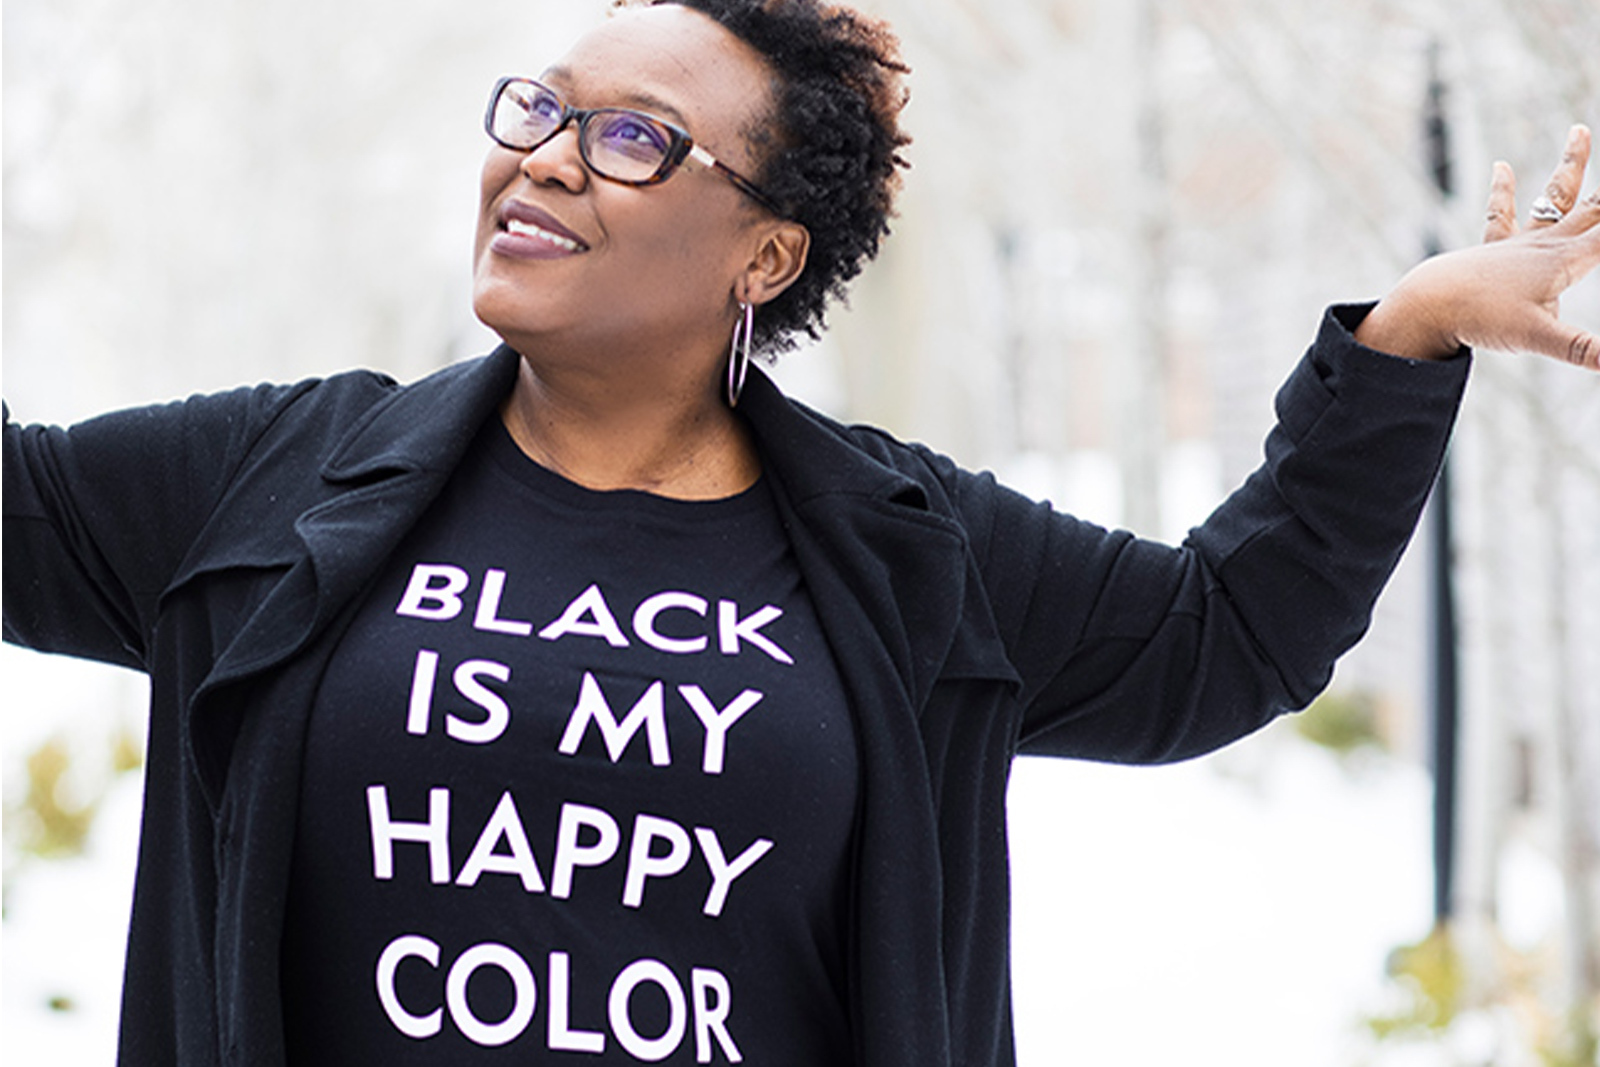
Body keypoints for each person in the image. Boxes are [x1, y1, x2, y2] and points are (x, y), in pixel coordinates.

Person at [4, 0, 1597, 1063]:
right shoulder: (279, 479)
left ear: (763, 255)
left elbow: (1217, 642)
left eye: (635, 138)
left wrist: (1404, 338)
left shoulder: (904, 548)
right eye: (542, 106)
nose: (546, 155)